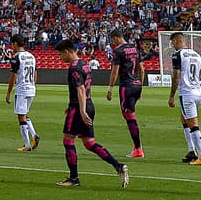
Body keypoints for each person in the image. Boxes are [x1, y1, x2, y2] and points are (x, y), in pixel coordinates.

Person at [55, 39, 129, 189]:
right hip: (89, 104)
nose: (60, 58)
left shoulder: (74, 68)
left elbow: (81, 89)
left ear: (67, 51)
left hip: (79, 107)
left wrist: (80, 110)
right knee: (89, 143)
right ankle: (118, 166)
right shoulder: (85, 64)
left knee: (68, 140)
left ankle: (74, 178)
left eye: (61, 54)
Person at [167, 32, 201, 166]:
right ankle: (191, 151)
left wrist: (171, 96)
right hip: (197, 93)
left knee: (194, 125)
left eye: (172, 42)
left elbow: (176, 76)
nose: (172, 45)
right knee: (184, 118)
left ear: (176, 42)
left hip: (187, 94)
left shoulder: (177, 55)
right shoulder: (197, 55)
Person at [106, 29, 145, 158]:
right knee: (129, 114)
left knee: (129, 116)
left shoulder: (118, 51)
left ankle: (138, 149)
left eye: (113, 40)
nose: (113, 43)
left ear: (116, 38)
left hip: (126, 87)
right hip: (136, 85)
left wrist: (110, 88)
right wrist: (140, 85)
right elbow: (142, 69)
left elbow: (114, 71)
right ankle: (136, 144)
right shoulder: (134, 48)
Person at [6, 33, 40, 152]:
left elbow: (13, 76)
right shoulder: (31, 56)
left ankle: (28, 143)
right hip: (31, 89)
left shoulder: (16, 57)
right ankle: (33, 137)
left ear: (15, 43)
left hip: (22, 89)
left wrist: (8, 93)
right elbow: (35, 74)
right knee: (24, 115)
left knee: (21, 117)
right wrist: (32, 85)